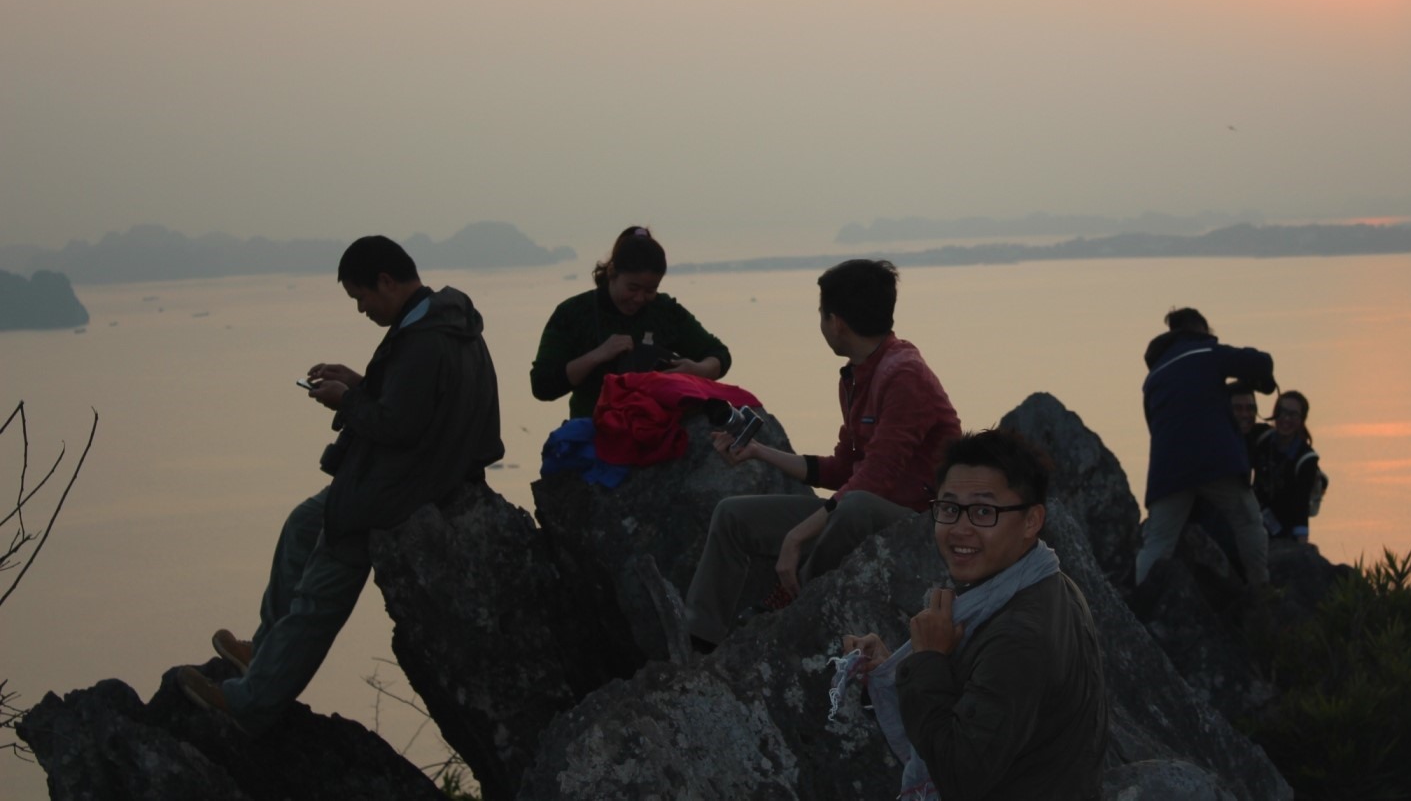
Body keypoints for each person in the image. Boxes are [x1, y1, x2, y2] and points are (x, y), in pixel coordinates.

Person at [179, 236, 503, 731]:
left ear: (386, 282)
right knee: (303, 525)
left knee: (318, 596)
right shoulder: (441, 322)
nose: (361, 309)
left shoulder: (424, 339)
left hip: (397, 492)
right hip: (412, 475)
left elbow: (400, 426)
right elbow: (417, 404)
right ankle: (264, 650)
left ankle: (252, 701)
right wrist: (359, 382)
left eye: (362, 297)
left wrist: (344, 402)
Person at [685, 259, 960, 648]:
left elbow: (874, 479)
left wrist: (798, 536)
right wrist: (760, 452)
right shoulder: (856, 376)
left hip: (920, 523)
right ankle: (701, 642)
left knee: (855, 505)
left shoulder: (905, 375)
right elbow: (842, 468)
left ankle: (791, 608)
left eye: (821, 314)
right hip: (857, 512)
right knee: (732, 514)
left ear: (837, 322)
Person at [839, 430, 1109, 801]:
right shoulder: (1046, 582)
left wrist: (929, 661)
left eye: (984, 511)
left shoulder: (1019, 635)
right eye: (949, 508)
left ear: (1031, 521)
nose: (960, 529)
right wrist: (892, 669)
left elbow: (959, 775)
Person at [1133, 308, 1276, 590]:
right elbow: (1259, 361)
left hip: (1168, 471)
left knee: (1158, 542)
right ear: (1199, 329)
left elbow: (1155, 425)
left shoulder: (1153, 379)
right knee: (1247, 520)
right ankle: (1262, 590)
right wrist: (1262, 381)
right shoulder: (1206, 352)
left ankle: (1139, 606)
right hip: (1216, 461)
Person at [530, 226, 732, 420]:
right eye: (632, 288)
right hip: (594, 433)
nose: (639, 298)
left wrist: (699, 370)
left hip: (658, 430)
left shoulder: (664, 311)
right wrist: (598, 355)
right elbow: (542, 385)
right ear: (612, 273)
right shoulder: (573, 313)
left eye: (650, 290)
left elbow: (718, 354)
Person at [1249, 390, 1321, 541]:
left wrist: (1302, 542)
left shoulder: (1306, 459)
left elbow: (1301, 504)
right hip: (1254, 518)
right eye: (1282, 412)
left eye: (1293, 414)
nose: (1286, 418)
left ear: (1302, 419)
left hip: (1284, 531)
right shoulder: (1261, 437)